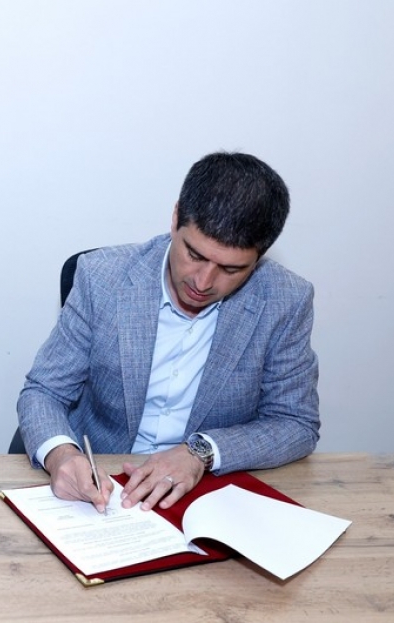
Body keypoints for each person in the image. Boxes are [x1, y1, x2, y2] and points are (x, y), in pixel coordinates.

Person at [17, 151, 319, 514]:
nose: (203, 282)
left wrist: (201, 452)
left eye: (230, 269)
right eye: (195, 254)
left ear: (259, 257)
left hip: (206, 494)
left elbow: (295, 424)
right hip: (101, 487)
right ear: (176, 219)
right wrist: (62, 455)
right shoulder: (102, 277)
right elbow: (44, 391)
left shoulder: (285, 300)